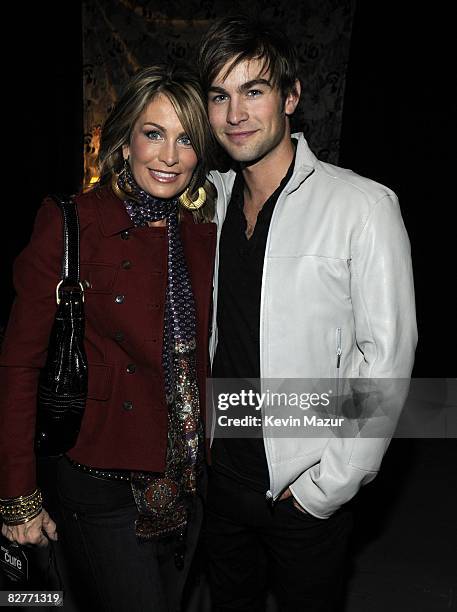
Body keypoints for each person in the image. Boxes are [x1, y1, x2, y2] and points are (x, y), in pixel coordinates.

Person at [198, 15, 417, 612]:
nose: (236, 113)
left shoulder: (363, 206)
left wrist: (329, 484)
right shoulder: (205, 202)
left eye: (254, 90)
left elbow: (386, 359)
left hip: (303, 486)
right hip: (219, 481)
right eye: (221, 95)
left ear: (291, 97)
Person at [0, 64, 217, 612]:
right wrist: (17, 494)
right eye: (153, 134)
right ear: (123, 143)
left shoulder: (202, 233)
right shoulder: (72, 222)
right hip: (100, 476)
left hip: (188, 475)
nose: (169, 156)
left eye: (186, 138)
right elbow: (20, 364)